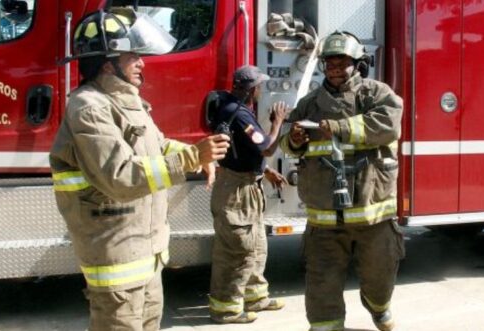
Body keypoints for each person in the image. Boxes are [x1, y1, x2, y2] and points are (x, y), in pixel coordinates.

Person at [49, 8, 229, 331]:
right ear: (108, 63)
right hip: (117, 262)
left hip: (146, 258)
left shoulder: (127, 103)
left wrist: (196, 154)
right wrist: (189, 160)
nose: (142, 63)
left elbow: (157, 147)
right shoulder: (88, 107)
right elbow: (121, 176)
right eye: (133, 56)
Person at [279, 31, 404, 331]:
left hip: (372, 215)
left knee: (380, 277)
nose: (335, 67)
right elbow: (286, 143)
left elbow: (388, 126)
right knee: (322, 287)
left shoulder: (376, 94)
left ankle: (379, 307)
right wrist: (294, 140)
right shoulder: (309, 104)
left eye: (342, 61)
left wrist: (338, 127)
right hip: (324, 220)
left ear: (357, 63)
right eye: (330, 62)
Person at [207, 65, 288, 324]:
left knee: (256, 245)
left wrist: (266, 173)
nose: (260, 91)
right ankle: (226, 309)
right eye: (259, 87)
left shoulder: (231, 107)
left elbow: (246, 152)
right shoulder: (239, 114)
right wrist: (277, 124)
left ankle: (255, 296)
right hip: (236, 192)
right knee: (236, 250)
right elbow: (265, 147)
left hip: (245, 187)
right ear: (251, 89)